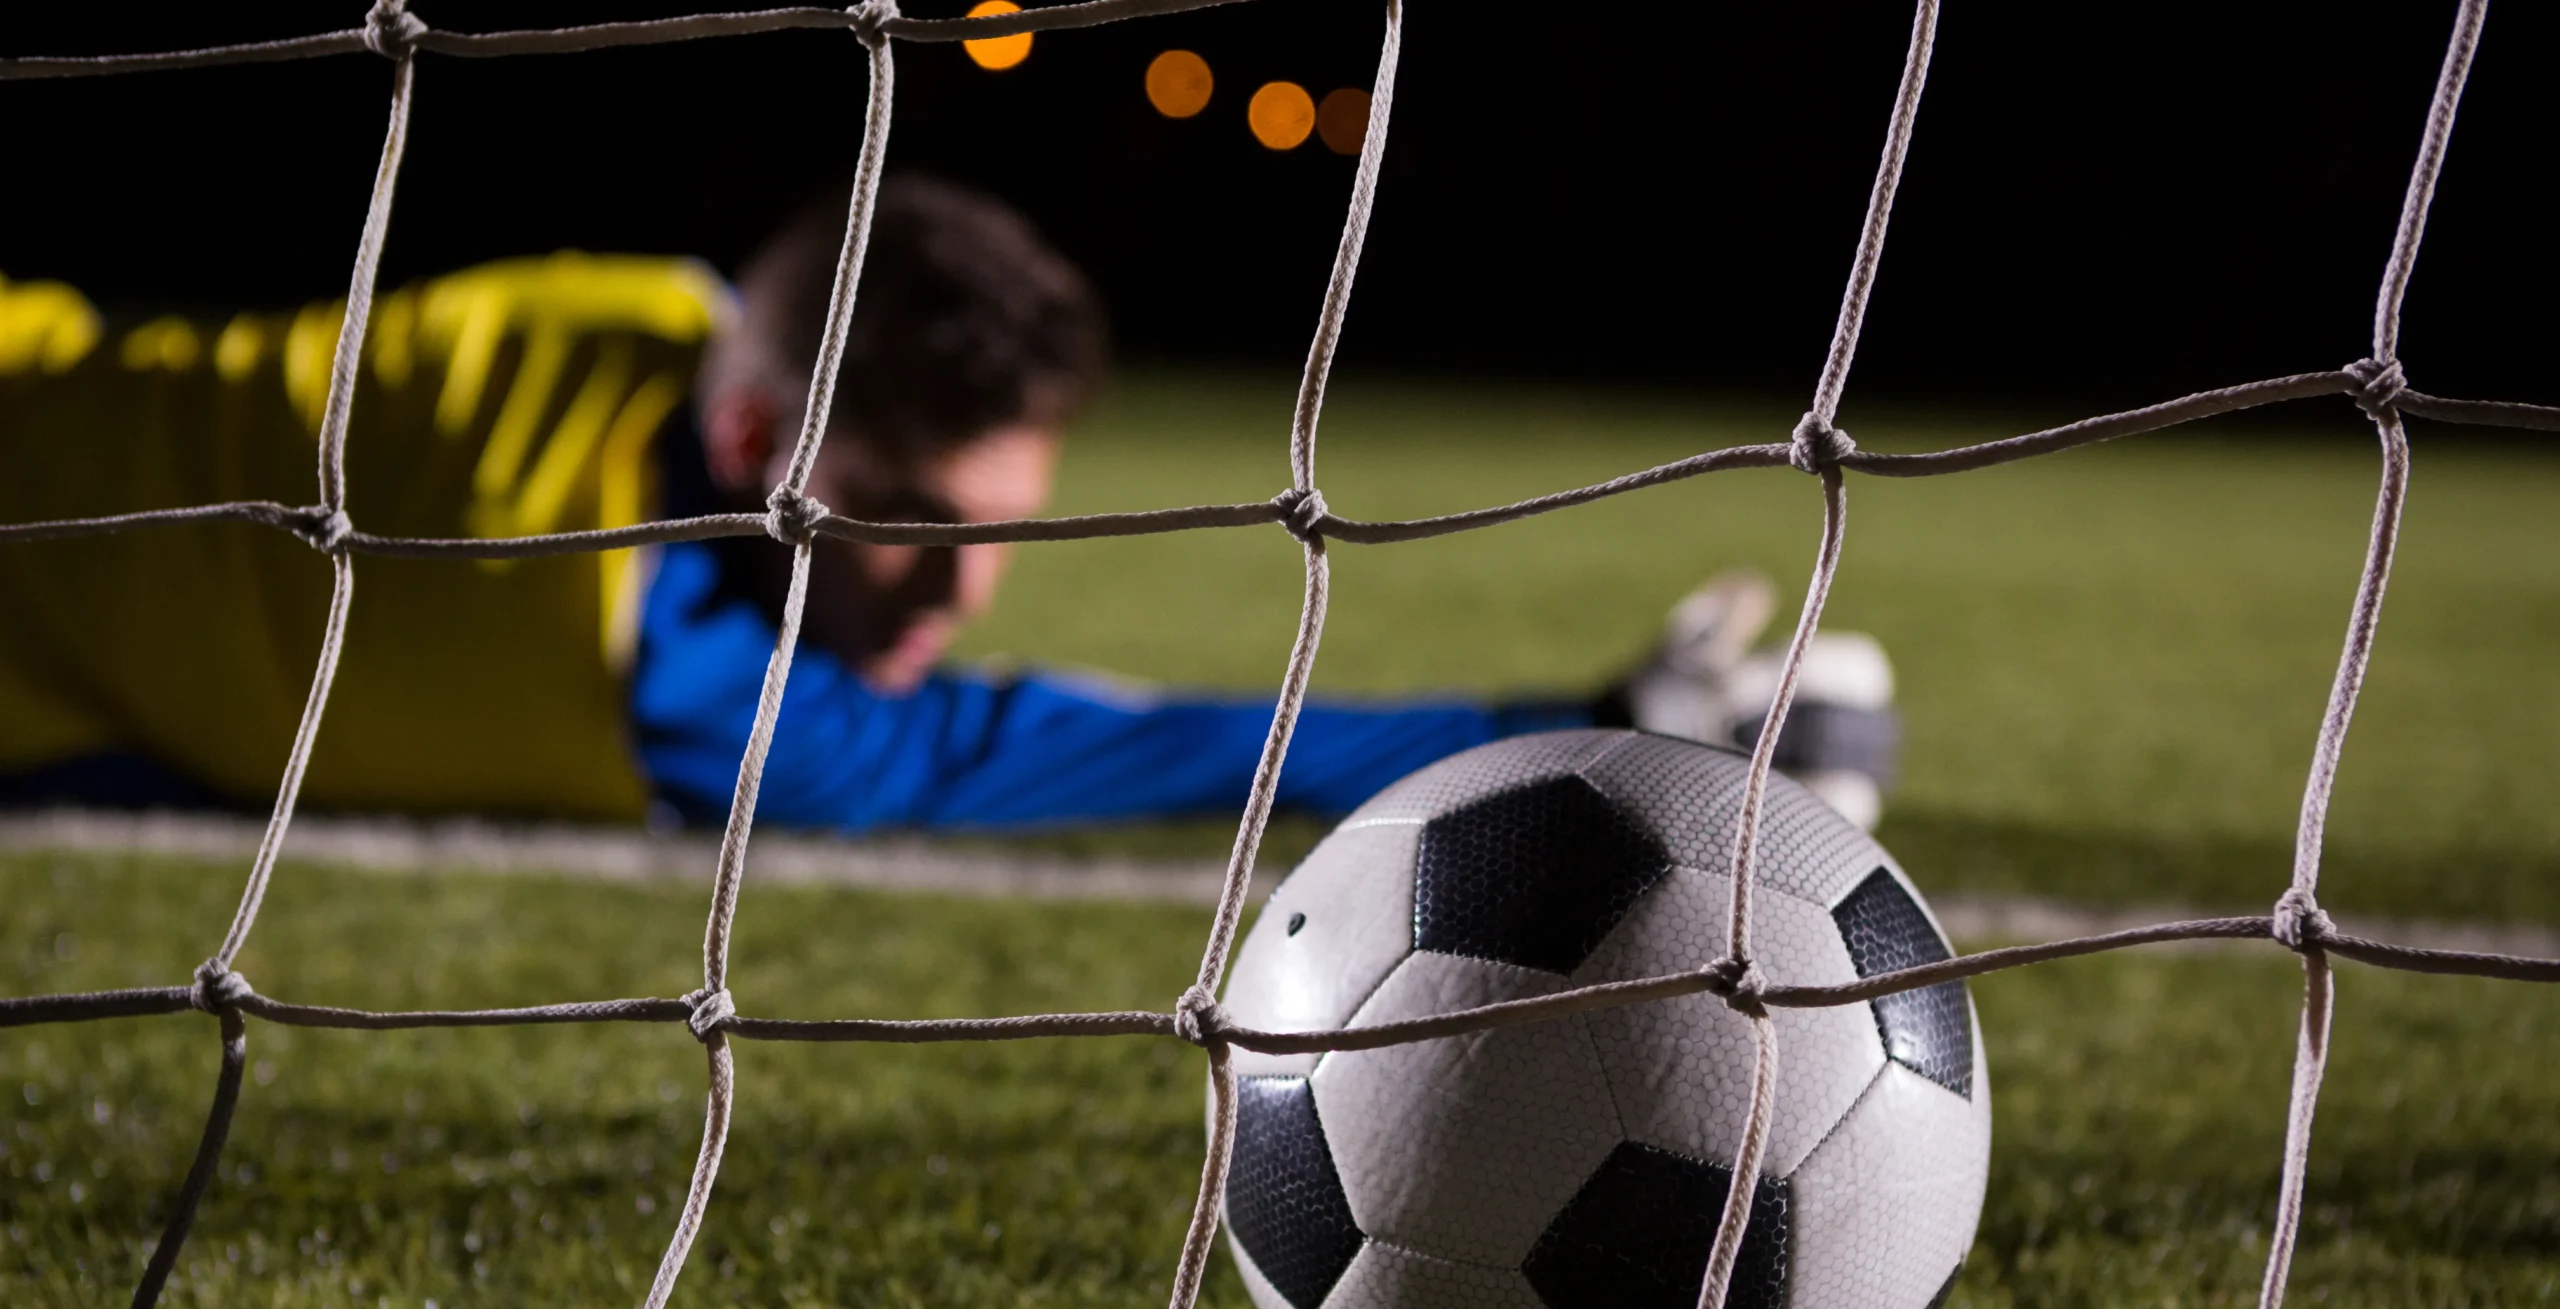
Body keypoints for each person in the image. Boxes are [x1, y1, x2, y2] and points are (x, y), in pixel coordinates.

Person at [0, 175, 1896, 832]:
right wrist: (1577, 729)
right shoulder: (685, 698)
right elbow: (1093, 747)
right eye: (917, 517)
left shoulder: (637, 311)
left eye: (1008, 526)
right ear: (758, 454)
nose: (966, 592)